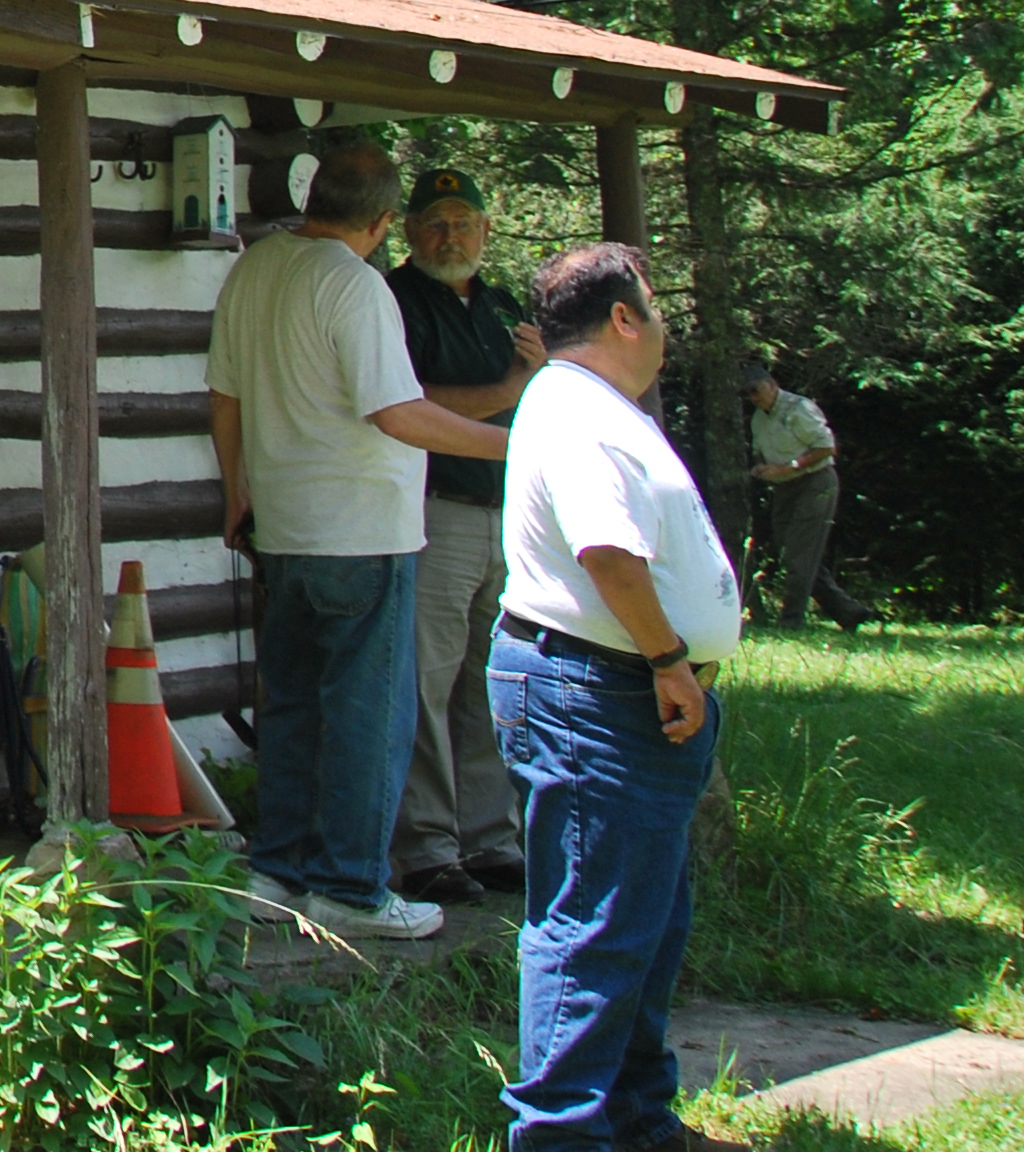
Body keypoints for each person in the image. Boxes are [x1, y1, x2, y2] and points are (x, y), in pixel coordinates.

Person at [209, 137, 515, 941]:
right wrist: (518, 442)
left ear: (313, 199)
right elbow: (396, 413)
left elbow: (225, 399)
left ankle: (277, 871)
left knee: (295, 707)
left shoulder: (255, 267)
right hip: (364, 532)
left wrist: (234, 488)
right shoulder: (356, 284)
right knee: (367, 717)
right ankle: (350, 887)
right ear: (385, 221)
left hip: (283, 525)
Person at [492, 242, 747, 1152]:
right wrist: (671, 658)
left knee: (644, 921)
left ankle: (638, 1123)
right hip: (602, 691)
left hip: (617, 686)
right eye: (657, 304)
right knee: (592, 930)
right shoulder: (578, 411)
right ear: (625, 317)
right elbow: (607, 552)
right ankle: (560, 1138)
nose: (665, 323)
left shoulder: (590, 405)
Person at [387, 165, 543, 905]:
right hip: (435, 508)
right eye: (436, 223)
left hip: (505, 513)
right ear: (411, 231)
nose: (451, 236)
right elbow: (410, 400)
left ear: (485, 230)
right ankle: (426, 848)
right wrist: (514, 388)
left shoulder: (502, 307)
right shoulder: (394, 298)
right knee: (428, 680)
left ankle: (491, 839)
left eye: (463, 222)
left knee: (490, 680)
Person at [746, 361, 870, 630]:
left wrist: (788, 466)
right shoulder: (758, 419)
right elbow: (762, 450)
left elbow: (826, 447)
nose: (753, 398)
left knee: (798, 556)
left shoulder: (798, 409)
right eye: (748, 394)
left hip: (815, 483)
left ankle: (791, 620)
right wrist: (761, 467)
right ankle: (849, 612)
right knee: (789, 551)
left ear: (772, 385)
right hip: (784, 487)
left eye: (756, 390)